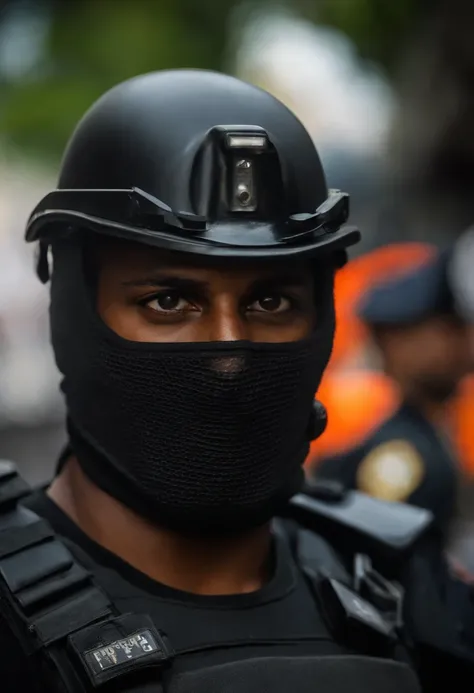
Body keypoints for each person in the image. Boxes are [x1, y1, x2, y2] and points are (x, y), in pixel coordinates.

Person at [0, 69, 469, 693]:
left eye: (270, 302)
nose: (229, 350)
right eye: (169, 301)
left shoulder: (400, 580)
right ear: (72, 311)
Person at [313, 249, 473, 531]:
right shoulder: (404, 454)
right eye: (449, 329)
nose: (465, 342)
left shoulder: (432, 433)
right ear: (395, 343)